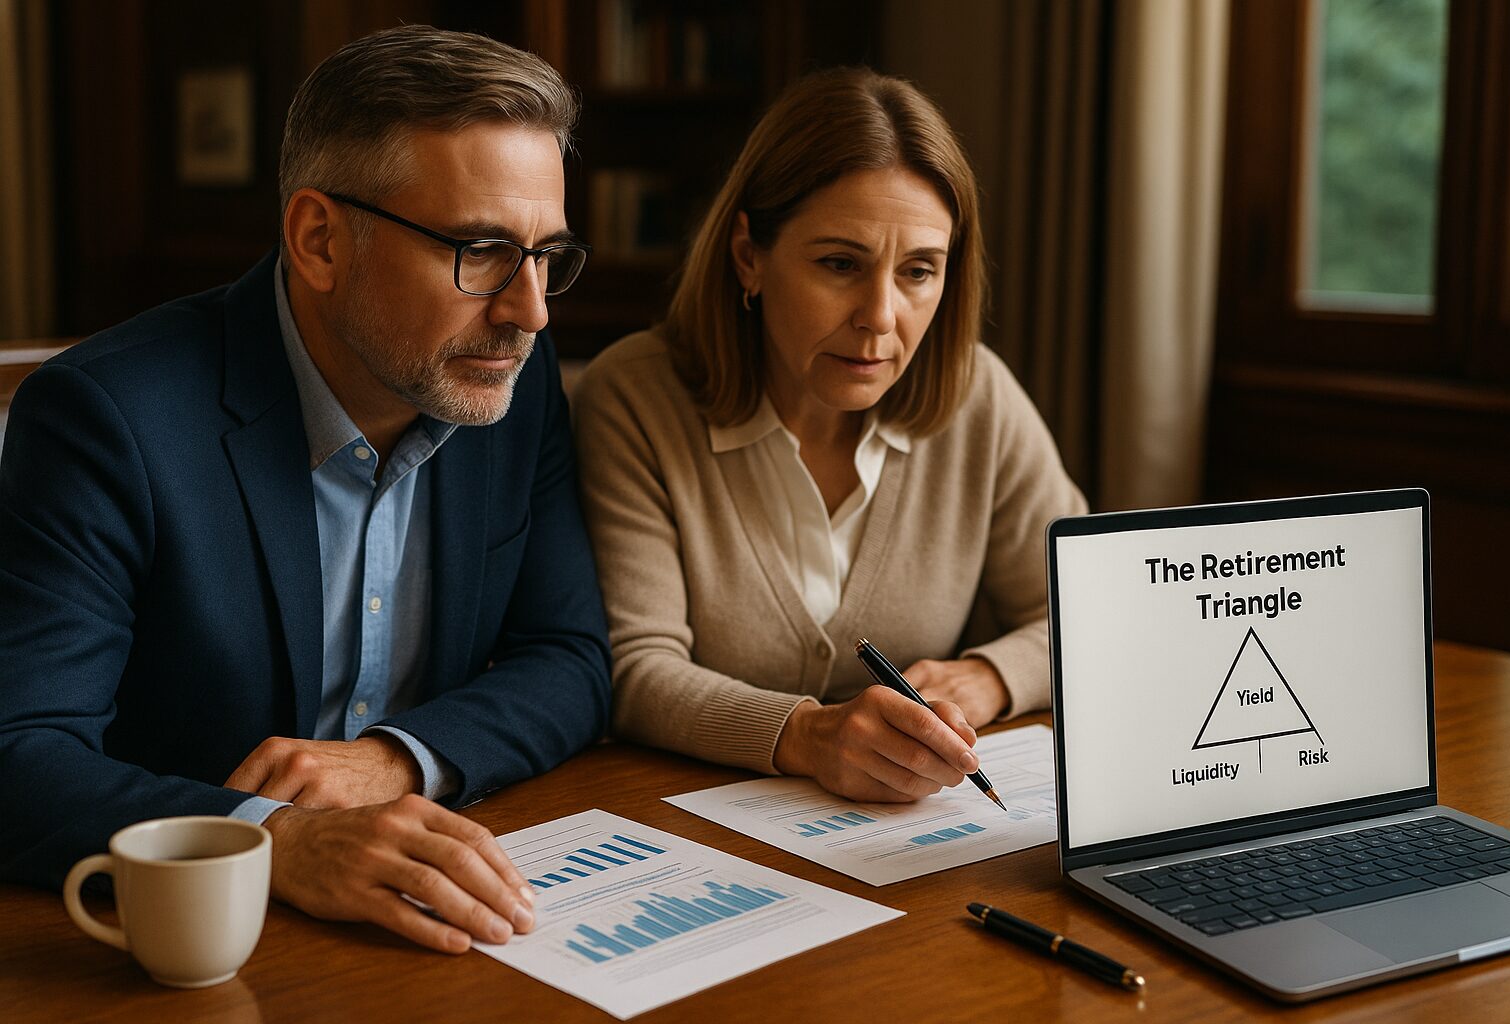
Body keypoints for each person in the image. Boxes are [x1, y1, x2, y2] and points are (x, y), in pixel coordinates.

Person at [0, 26, 610, 954]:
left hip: (431, 916)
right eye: (482, 250)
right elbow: (19, 755)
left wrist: (393, 763)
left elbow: (568, 658)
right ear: (320, 239)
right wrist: (277, 838)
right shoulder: (105, 419)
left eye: (546, 256)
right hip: (177, 946)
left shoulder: (507, 380)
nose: (529, 309)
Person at [572, 68, 1085, 804]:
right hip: (694, 828)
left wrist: (991, 677)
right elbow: (634, 668)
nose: (880, 316)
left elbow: (1091, 612)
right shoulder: (637, 395)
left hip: (906, 847)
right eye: (840, 264)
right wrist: (810, 735)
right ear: (749, 255)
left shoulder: (980, 398)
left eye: (918, 272)